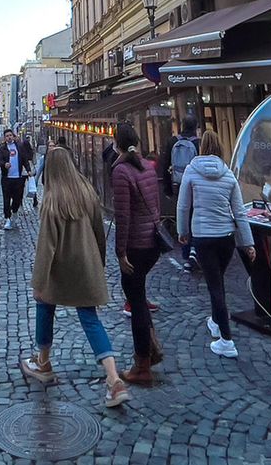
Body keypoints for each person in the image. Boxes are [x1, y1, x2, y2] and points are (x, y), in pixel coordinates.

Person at [19, 147, 130, 408]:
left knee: (44, 305)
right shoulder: (87, 193)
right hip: (86, 266)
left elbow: (46, 246)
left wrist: (39, 283)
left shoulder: (52, 200)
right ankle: (113, 379)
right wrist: (98, 265)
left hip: (60, 269)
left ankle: (43, 361)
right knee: (90, 319)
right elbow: (99, 233)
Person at [177, 130, 256, 358]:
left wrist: (183, 232)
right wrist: (248, 242)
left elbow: (183, 206)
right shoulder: (228, 174)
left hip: (203, 236)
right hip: (226, 238)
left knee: (215, 287)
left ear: (201, 148)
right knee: (217, 281)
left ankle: (226, 340)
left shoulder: (192, 171)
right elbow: (239, 212)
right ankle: (215, 321)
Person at [110, 123, 165, 385]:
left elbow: (123, 216)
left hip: (136, 246)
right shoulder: (147, 168)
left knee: (137, 302)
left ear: (116, 143)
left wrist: (120, 252)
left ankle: (142, 364)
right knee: (139, 298)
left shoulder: (122, 171)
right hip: (152, 243)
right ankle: (150, 351)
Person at [169, 117, 202, 271]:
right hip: (197, 187)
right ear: (195, 126)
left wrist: (168, 189)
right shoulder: (198, 143)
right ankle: (195, 251)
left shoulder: (173, 141)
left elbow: (165, 163)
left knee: (183, 215)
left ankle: (186, 251)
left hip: (179, 185)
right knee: (195, 217)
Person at [0, 128, 35, 230]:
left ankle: (15, 211)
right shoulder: (2, 148)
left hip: (18, 177)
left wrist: (28, 170)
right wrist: (4, 164)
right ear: (4, 138)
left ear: (13, 136)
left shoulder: (19, 146)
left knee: (17, 198)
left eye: (10, 135)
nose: (9, 137)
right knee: (6, 199)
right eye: (7, 136)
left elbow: (24, 159)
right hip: (6, 178)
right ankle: (7, 218)